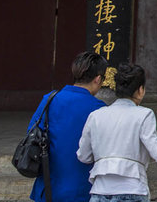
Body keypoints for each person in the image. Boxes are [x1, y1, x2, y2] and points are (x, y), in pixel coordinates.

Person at [77, 62, 157, 200]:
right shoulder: (144, 115)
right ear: (140, 90)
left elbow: (83, 155)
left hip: (100, 191)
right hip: (132, 189)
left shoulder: (96, 116)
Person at [27, 51, 108, 202]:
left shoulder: (50, 99)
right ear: (98, 79)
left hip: (48, 187)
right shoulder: (99, 108)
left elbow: (32, 133)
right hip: (83, 188)